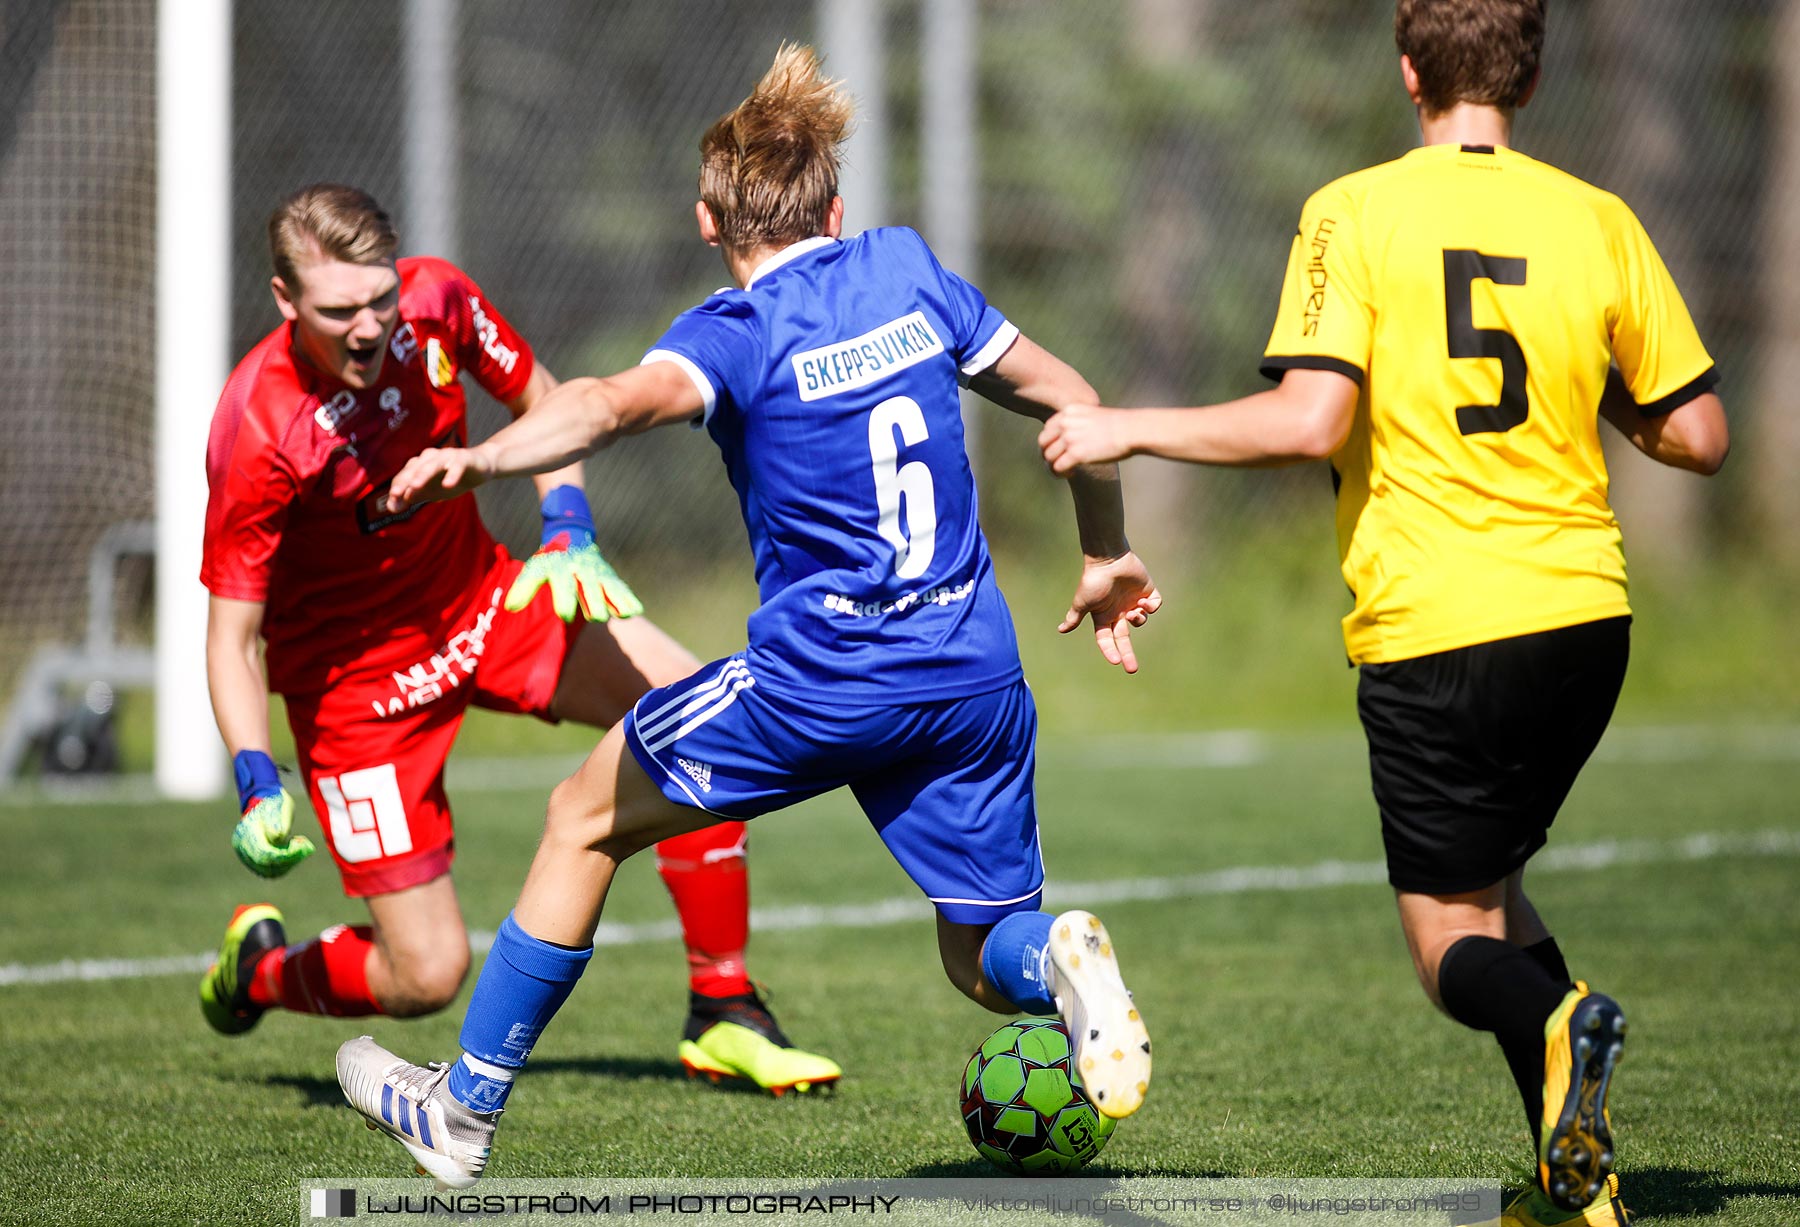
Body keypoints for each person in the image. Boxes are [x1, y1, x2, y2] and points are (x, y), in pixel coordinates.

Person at [332, 44, 1162, 1188]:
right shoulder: (909, 269)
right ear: (834, 205)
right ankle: (1059, 962)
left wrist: (477, 457)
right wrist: (1105, 547)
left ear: (709, 224)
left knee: (582, 818)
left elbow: (604, 405)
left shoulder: (734, 332)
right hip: (973, 670)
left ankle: (461, 1112)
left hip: (825, 678)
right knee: (981, 957)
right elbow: (1076, 401)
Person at [1038, 2, 1728, 1224]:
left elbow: (1312, 422)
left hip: (1439, 622)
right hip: (1585, 621)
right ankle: (1580, 1193)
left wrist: (1128, 425)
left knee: (1445, 944)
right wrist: (1593, 393)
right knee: (1498, 896)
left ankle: (1567, 1023)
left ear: (1409, 70)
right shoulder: (1598, 217)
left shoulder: (1353, 210)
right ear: (1529, 72)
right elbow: (1700, 433)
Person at [199, 182, 840, 1096]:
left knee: (700, 709)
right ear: (283, 300)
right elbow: (233, 636)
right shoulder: (257, 429)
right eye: (339, 309)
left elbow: (544, 403)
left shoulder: (440, 300)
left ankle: (724, 1008)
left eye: (380, 298)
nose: (369, 325)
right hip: (358, 693)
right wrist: (256, 775)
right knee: (425, 974)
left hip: (488, 605)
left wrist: (567, 527)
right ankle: (259, 968)